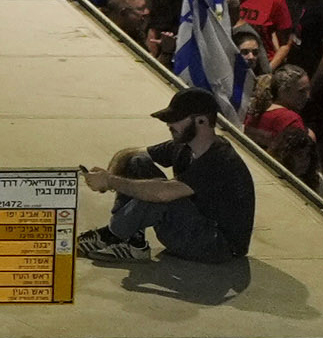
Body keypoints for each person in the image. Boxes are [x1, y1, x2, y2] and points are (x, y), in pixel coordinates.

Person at [89, 88, 261, 264]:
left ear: (201, 121)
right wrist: (108, 176)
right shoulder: (184, 146)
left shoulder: (221, 160)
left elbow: (163, 193)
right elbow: (129, 154)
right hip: (193, 224)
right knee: (136, 163)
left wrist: (111, 181)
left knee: (158, 194)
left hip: (219, 245)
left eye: (176, 120)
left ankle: (112, 235)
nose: (169, 125)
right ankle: (130, 240)